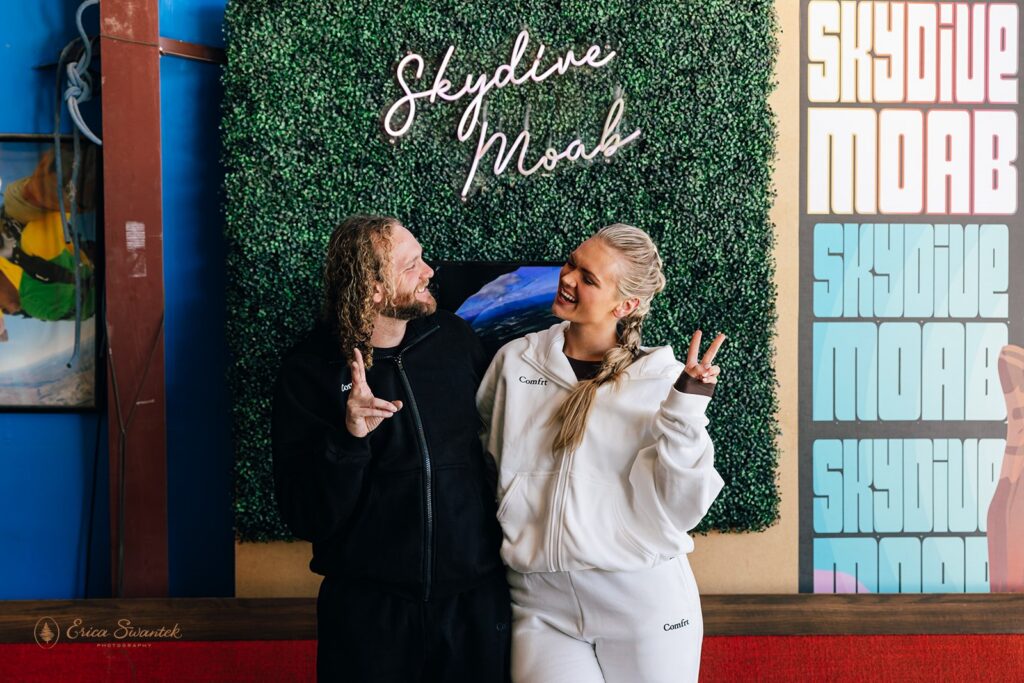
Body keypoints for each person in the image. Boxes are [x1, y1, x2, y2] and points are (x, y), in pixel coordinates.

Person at [477, 223, 726, 682]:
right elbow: (487, 459)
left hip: (643, 606)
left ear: (625, 305)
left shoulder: (662, 380)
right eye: (571, 263)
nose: (568, 278)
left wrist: (686, 407)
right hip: (538, 603)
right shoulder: (515, 362)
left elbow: (683, 507)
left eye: (588, 278)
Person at [271, 215, 510, 682]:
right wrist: (349, 437)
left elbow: (497, 446)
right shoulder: (310, 369)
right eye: (411, 265)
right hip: (368, 615)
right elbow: (306, 514)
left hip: (472, 603)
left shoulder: (455, 341)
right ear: (374, 289)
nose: (429, 272)